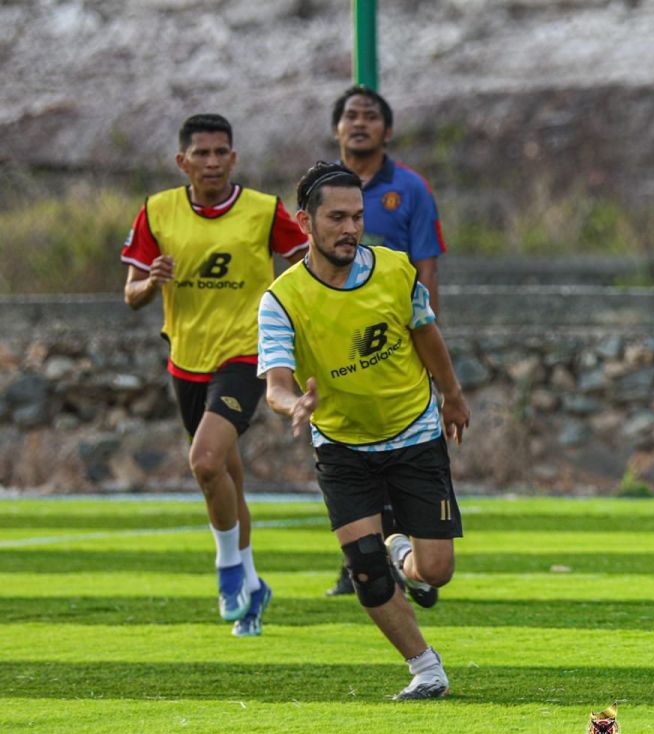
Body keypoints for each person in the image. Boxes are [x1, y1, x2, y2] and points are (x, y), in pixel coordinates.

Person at [259, 161, 469, 699]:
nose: (350, 228)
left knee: (437, 571)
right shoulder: (282, 299)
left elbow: (427, 335)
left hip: (414, 433)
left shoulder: (396, 270)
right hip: (342, 444)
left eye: (357, 216)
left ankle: (405, 554)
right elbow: (277, 383)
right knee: (365, 570)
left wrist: (453, 396)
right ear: (305, 222)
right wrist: (293, 406)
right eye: (337, 218)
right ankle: (425, 668)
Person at [121, 113, 307, 637]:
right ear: (183, 161)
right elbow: (131, 294)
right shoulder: (157, 212)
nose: (211, 161)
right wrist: (149, 283)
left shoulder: (263, 210)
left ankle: (227, 570)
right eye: (200, 153)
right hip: (186, 359)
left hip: (246, 356)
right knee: (225, 478)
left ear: (234, 158)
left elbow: (307, 262)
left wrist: (291, 314)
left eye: (221, 152)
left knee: (204, 463)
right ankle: (252, 587)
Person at [325, 85, 448, 597]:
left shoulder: (410, 189)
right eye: (350, 115)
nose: (359, 123)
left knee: (401, 447)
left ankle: (406, 556)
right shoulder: (322, 191)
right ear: (337, 128)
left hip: (394, 343)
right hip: (336, 346)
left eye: (369, 116)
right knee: (344, 447)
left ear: (387, 130)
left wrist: (431, 339)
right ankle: (363, 563)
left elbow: (426, 269)